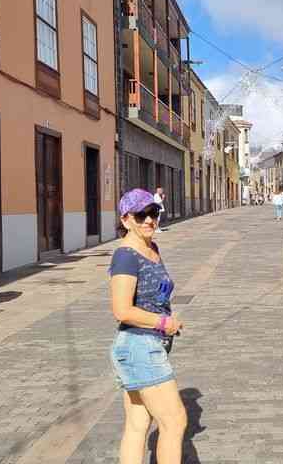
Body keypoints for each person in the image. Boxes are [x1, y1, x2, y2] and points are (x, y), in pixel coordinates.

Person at [108, 189, 186, 464]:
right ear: (126, 219)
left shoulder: (152, 248)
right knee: (175, 421)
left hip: (147, 346)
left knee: (137, 424)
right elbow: (121, 310)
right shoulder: (126, 256)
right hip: (139, 347)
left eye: (153, 213)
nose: (149, 220)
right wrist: (163, 322)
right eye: (141, 215)